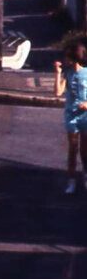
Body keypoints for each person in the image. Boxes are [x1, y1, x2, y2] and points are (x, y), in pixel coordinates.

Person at [56, 39, 87, 192]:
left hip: (86, 115)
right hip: (71, 114)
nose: (66, 59)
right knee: (73, 148)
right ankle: (71, 180)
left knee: (85, 149)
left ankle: (85, 176)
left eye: (68, 56)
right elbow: (58, 92)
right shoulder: (67, 73)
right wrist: (57, 74)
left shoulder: (86, 73)